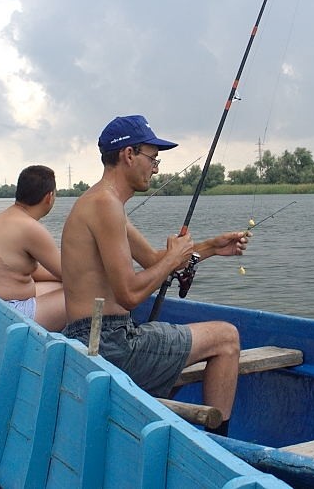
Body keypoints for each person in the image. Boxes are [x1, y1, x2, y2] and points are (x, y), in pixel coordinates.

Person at [60, 115, 248, 435]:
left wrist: (211, 247)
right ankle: (219, 448)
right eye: (152, 157)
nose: (156, 168)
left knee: (200, 337)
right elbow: (130, 294)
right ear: (129, 155)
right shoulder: (106, 205)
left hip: (94, 337)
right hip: (108, 344)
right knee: (227, 338)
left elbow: (153, 261)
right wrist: (173, 258)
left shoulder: (101, 202)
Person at [0, 165, 66, 331]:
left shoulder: (4, 219)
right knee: (85, 294)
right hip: (6, 314)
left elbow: (36, 271)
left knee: (64, 286)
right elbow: (72, 274)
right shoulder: (30, 228)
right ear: (49, 197)